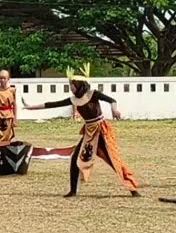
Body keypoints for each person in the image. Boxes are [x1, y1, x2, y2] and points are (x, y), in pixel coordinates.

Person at [23, 64, 140, 198]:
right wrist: (30, 107)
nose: (70, 88)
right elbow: (51, 104)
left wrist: (114, 109)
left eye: (72, 85)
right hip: (88, 133)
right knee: (76, 158)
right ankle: (73, 191)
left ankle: (133, 189)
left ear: (78, 84)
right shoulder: (74, 99)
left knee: (113, 160)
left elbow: (112, 100)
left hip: (100, 131)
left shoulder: (93, 94)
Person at [0, 70, 18, 142]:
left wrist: (15, 118)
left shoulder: (12, 90)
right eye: (1, 78)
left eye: (4, 78)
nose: (2, 80)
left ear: (8, 79)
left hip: (8, 116)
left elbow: (14, 105)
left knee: (8, 136)